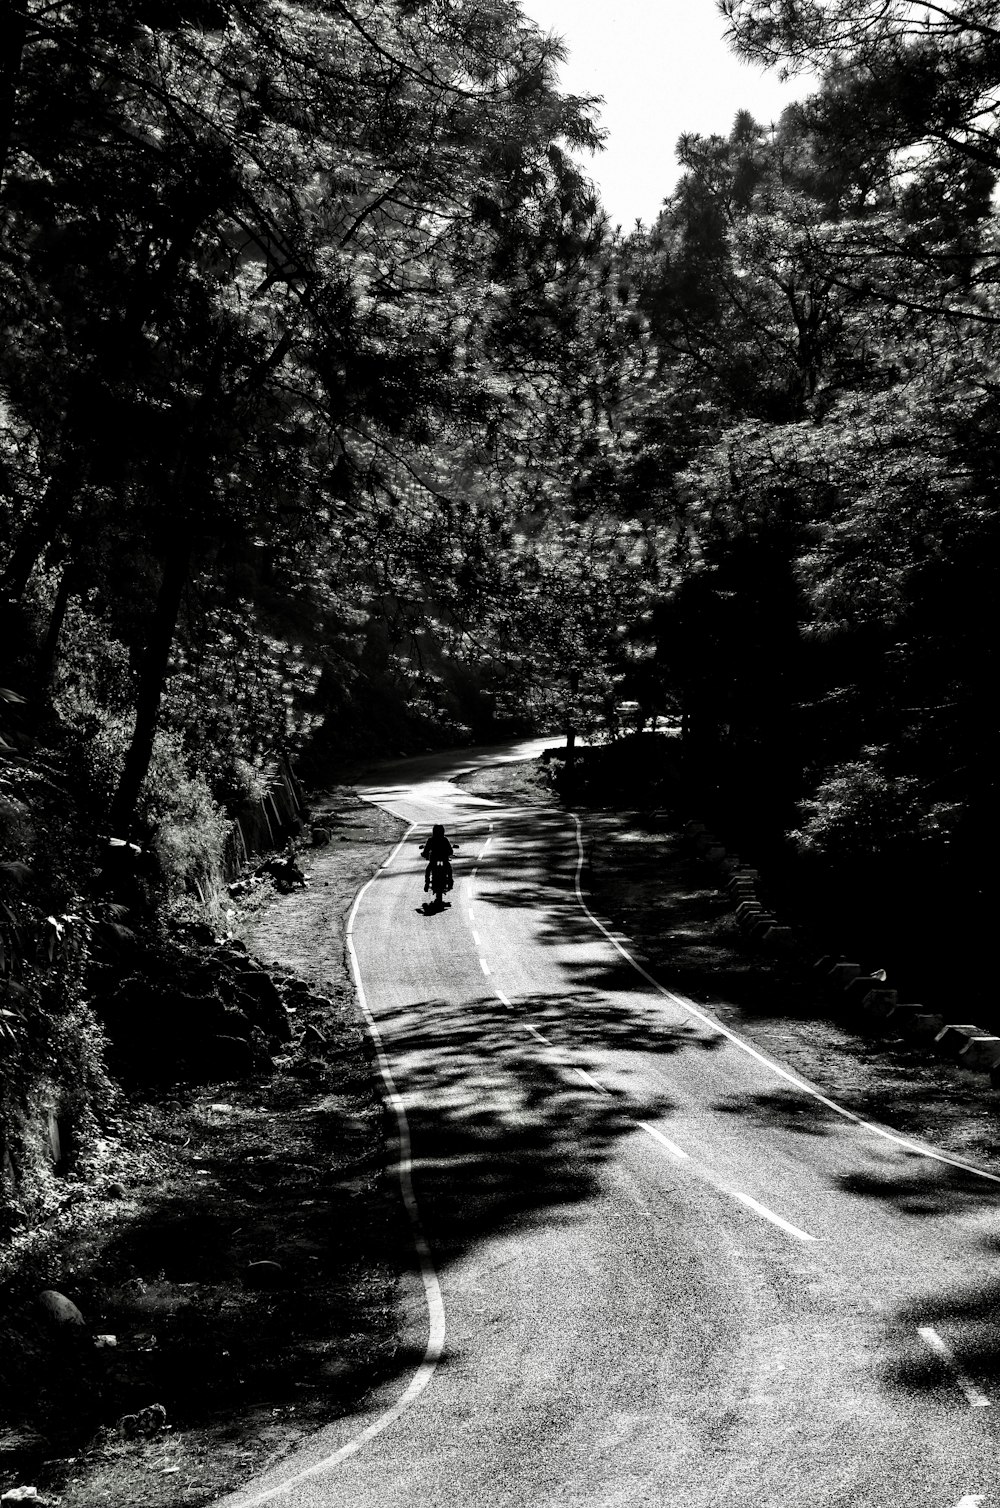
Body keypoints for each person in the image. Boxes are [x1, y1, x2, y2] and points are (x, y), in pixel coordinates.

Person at [422, 823, 454, 892]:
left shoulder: (431, 840)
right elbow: (450, 851)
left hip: (434, 859)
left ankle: (427, 883)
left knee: (428, 870)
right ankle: (450, 881)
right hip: (443, 859)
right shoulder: (444, 840)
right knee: (449, 868)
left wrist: (424, 854)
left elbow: (426, 850)